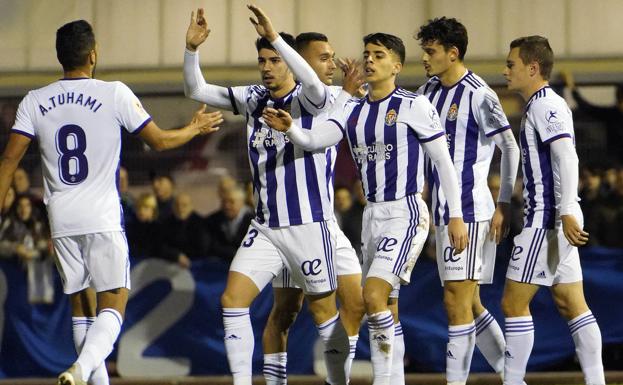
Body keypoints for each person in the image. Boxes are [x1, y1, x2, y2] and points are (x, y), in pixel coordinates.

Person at [0, 19, 222, 385]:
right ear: (93, 54)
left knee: (81, 308)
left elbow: (8, 160)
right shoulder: (114, 92)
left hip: (61, 217)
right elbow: (160, 141)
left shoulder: (34, 101)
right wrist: (194, 128)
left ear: (60, 57)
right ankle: (80, 369)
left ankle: (86, 373)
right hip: (101, 215)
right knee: (113, 304)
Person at [263, 32, 468, 385]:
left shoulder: (413, 106)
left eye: (379, 55)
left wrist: (455, 215)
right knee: (385, 306)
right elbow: (318, 139)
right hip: (372, 217)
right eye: (367, 54)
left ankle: (384, 381)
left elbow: (443, 163)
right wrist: (293, 129)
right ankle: (393, 379)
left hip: (405, 213)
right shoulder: (353, 108)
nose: (370, 60)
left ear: (397, 66)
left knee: (370, 295)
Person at [184, 7, 354, 385]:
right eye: (262, 60)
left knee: (324, 312)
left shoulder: (316, 99)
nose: (266, 67)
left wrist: (276, 36)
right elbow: (196, 90)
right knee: (232, 301)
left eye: (274, 60)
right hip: (266, 226)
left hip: (309, 225)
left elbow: (311, 85)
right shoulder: (253, 98)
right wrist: (191, 50)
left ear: (291, 63)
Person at [415, 17, 521, 384]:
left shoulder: (479, 93)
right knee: (471, 304)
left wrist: (504, 203)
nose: (424, 58)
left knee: (455, 303)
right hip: (443, 213)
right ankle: (513, 378)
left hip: (471, 211)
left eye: (430, 51)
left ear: (452, 52)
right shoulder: (427, 91)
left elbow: (510, 147)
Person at [259, 32, 365, 385]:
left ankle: (339, 377)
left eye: (332, 57)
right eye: (323, 58)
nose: (332, 64)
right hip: (290, 223)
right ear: (300, 63)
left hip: (325, 223)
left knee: (357, 302)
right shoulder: (292, 99)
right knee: (286, 312)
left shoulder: (333, 96)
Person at [501, 35, 605, 385]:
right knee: (571, 305)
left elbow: (566, 156)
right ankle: (597, 381)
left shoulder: (546, 104)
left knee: (513, 305)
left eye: (511, 64)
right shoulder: (542, 104)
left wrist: (567, 210)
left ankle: (512, 381)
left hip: (545, 221)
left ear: (533, 68)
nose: (506, 70)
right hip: (555, 219)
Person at [561, 71, 623, 164]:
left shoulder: (612, 114)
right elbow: (587, 107)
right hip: (614, 162)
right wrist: (571, 86)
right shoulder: (612, 114)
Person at [205, 185, 253, 262]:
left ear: (242, 203)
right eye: (224, 201)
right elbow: (212, 245)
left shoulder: (254, 221)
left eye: (231, 201)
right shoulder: (213, 219)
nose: (227, 206)